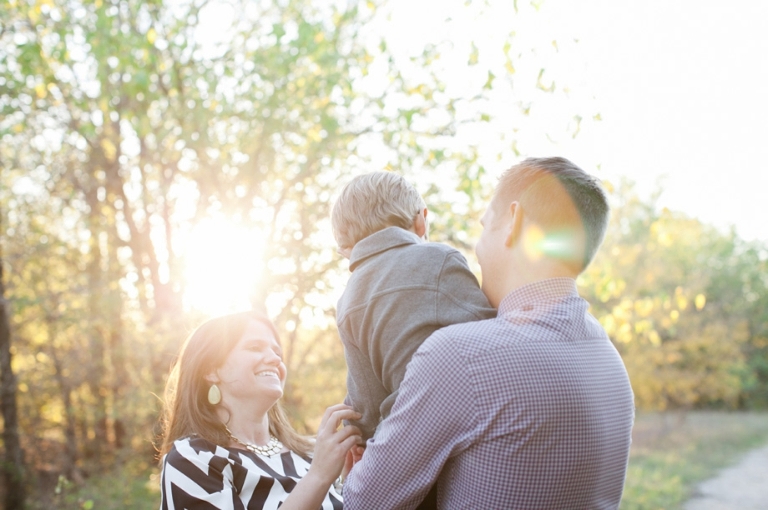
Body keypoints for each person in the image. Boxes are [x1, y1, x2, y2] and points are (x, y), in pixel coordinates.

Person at [342, 157, 635, 509]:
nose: (477, 251)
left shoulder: (461, 357)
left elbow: (366, 501)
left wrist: (355, 472)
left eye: (484, 228)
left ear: (514, 221)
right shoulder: (610, 363)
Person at [331, 171, 496, 443]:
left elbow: (366, 405)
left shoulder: (348, 299)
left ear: (346, 249)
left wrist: (357, 436)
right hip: (465, 418)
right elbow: (491, 332)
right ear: (421, 220)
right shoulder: (440, 258)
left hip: (400, 435)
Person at [158, 310, 361, 509]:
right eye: (255, 347)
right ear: (211, 370)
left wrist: (356, 484)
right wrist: (319, 477)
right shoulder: (192, 459)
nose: (275, 359)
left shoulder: (311, 452)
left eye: (277, 352)